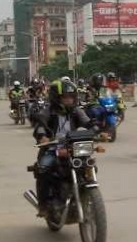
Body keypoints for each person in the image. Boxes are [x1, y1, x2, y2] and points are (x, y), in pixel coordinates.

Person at [32, 78, 98, 217]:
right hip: (52, 148)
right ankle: (43, 205)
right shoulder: (48, 111)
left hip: (72, 147)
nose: (69, 100)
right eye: (65, 97)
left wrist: (98, 130)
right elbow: (40, 126)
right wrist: (42, 137)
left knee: (89, 165)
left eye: (71, 97)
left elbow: (88, 123)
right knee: (43, 169)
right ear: (56, 98)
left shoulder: (76, 111)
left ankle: (85, 192)